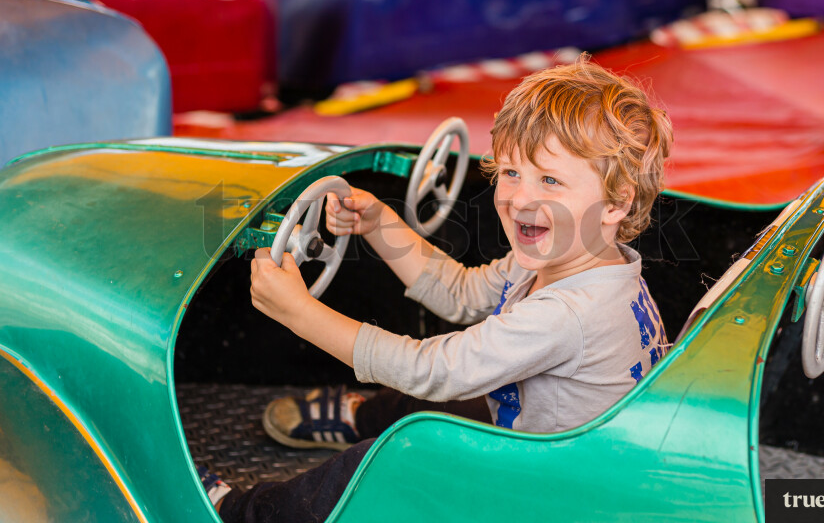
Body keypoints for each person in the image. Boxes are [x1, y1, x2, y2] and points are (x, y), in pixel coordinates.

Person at [210, 56, 673, 522]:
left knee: (388, 464)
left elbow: (430, 368)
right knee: (456, 397)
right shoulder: (581, 258)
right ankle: (362, 416)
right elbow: (461, 292)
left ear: (616, 202)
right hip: (571, 461)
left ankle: (236, 512)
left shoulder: (567, 313)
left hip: (547, 497)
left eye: (549, 180)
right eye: (511, 173)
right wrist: (380, 224)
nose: (519, 199)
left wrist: (298, 312)